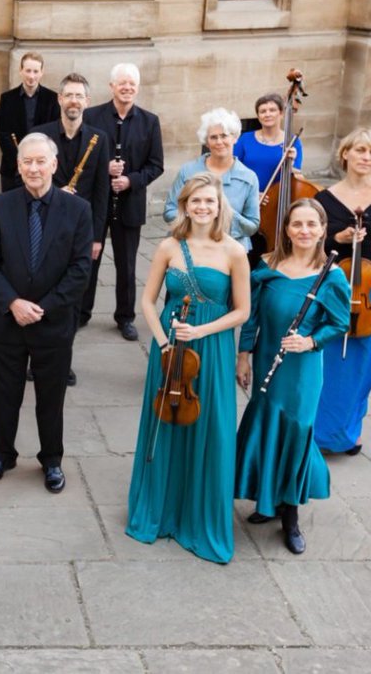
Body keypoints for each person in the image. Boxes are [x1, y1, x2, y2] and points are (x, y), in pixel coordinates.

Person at [126, 172, 250, 564]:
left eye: (209, 202)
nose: (202, 207)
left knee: (208, 427)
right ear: (184, 205)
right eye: (195, 201)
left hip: (210, 347)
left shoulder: (235, 251)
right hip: (171, 348)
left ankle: (198, 517)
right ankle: (161, 511)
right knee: (166, 423)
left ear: (219, 206)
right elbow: (147, 302)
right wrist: (162, 344)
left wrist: (202, 329)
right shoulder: (168, 246)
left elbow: (242, 311)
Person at [0, 133, 93, 493]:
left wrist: (42, 308)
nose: (33, 168)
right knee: (5, 393)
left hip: (54, 323)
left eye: (41, 161)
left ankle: (52, 460)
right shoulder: (0, 206)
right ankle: (3, 454)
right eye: (27, 161)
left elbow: (80, 271)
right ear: (18, 165)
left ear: (54, 165)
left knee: (51, 396)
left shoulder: (79, 210)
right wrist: (12, 302)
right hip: (7, 322)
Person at [236, 198, 350, 555]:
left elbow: (340, 323)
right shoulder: (267, 265)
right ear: (286, 228)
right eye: (296, 224)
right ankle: (266, 501)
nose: (303, 231)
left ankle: (291, 515)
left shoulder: (331, 275)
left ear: (322, 230)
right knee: (265, 425)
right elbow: (252, 317)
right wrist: (244, 356)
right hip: (268, 359)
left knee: (295, 432)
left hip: (302, 369)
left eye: (311, 225)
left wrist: (311, 341)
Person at [314, 127, 371, 455]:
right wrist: (334, 240)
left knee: (365, 363)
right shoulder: (324, 199)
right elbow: (309, 243)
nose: (366, 158)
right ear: (345, 154)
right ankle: (322, 431)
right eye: (361, 150)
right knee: (329, 361)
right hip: (334, 290)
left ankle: (351, 428)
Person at [82, 63, 164, 341]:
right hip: (96, 202)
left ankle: (125, 317)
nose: (127, 88)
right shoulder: (91, 116)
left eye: (132, 83)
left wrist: (131, 180)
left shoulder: (149, 121)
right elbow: (82, 155)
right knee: (88, 258)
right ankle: (82, 311)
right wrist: (104, 168)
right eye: (122, 83)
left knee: (127, 265)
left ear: (137, 88)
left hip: (129, 202)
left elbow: (156, 165)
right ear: (112, 86)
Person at [31, 74, 109, 351]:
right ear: (59, 99)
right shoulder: (40, 135)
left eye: (79, 96)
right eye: (69, 95)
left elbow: (102, 191)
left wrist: (97, 238)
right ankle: (37, 352)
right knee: (41, 287)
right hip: (43, 222)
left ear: (87, 102)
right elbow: (26, 180)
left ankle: (63, 356)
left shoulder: (100, 138)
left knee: (74, 295)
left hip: (81, 228)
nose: (73, 101)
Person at [164, 108, 260, 251]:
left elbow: (252, 225)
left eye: (224, 136)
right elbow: (170, 211)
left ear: (234, 138)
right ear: (206, 142)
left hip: (230, 250)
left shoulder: (248, 177)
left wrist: (225, 214)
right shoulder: (188, 171)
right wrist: (197, 222)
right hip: (189, 245)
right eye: (213, 137)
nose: (219, 142)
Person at [0, 52, 59, 192]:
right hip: (12, 170)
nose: (31, 76)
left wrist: (36, 163)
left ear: (42, 72)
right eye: (28, 70)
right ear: (21, 71)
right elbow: (3, 134)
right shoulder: (7, 98)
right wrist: (21, 163)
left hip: (41, 171)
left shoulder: (52, 99)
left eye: (36, 71)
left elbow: (54, 134)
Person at [234, 92, 302, 195]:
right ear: (258, 116)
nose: (267, 114)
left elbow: (296, 177)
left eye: (272, 110)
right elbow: (233, 170)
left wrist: (291, 164)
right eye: (263, 111)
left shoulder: (293, 142)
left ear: (281, 113)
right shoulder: (245, 139)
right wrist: (251, 194)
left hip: (277, 200)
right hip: (248, 197)